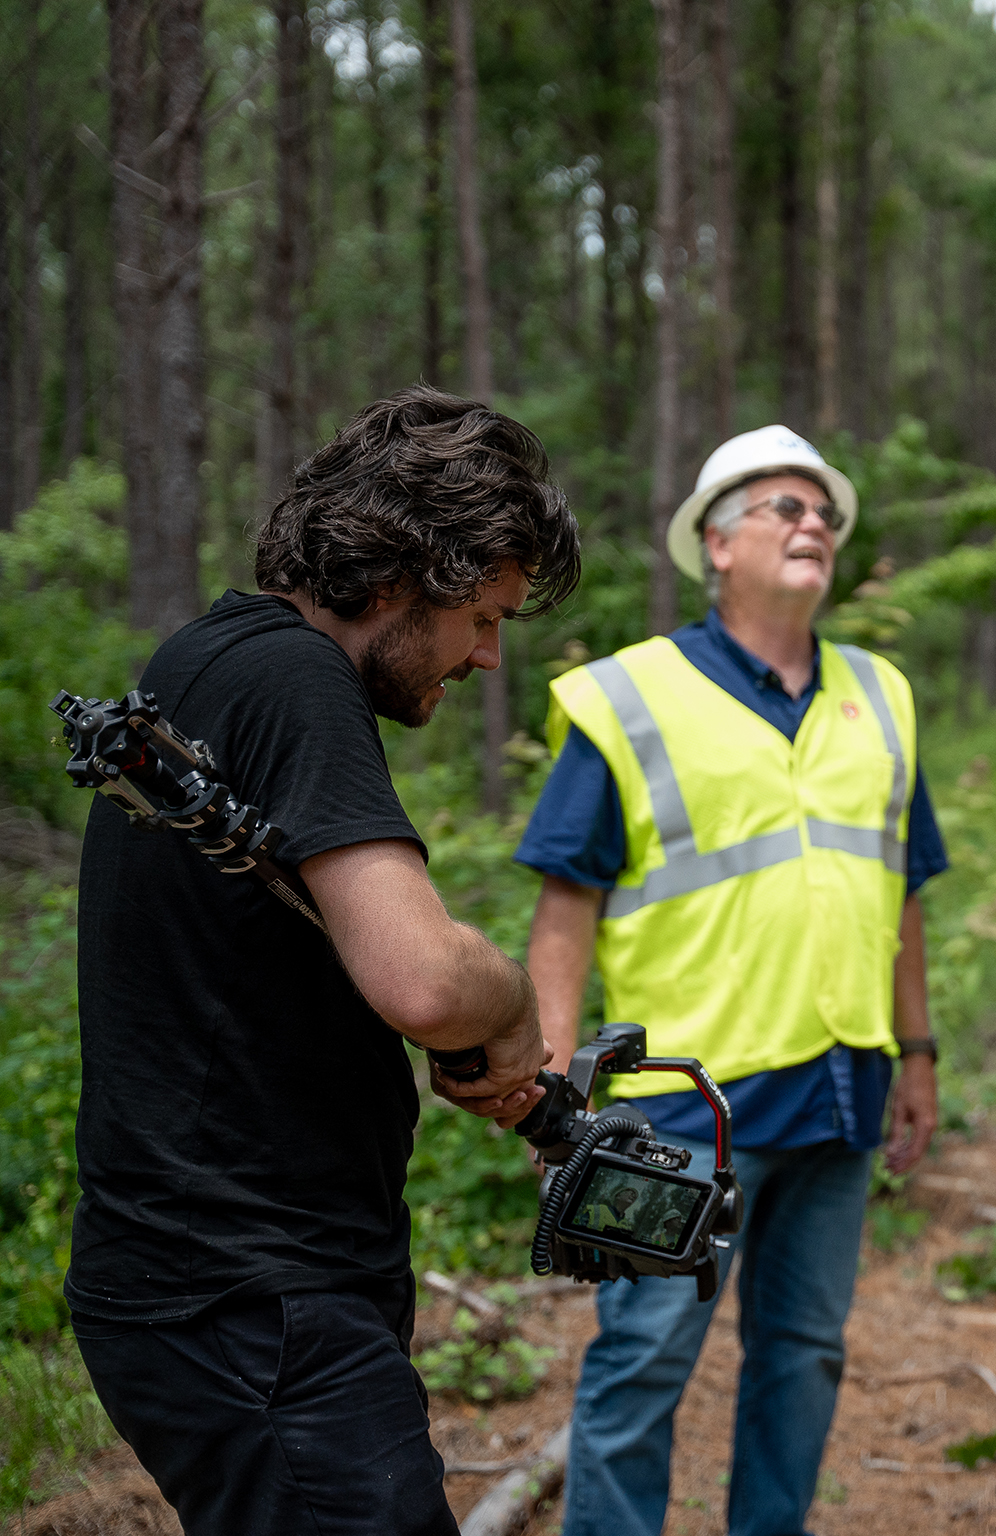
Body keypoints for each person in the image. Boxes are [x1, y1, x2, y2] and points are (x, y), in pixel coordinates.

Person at [68, 387, 582, 1536]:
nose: (490, 657)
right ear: (405, 572)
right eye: (485, 617)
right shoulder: (301, 680)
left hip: (217, 1294)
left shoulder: (204, 656)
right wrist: (508, 1004)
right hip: (253, 1303)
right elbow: (425, 980)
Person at [519, 424, 947, 1536]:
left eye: (826, 515)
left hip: (843, 1084)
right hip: (680, 1104)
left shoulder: (882, 696)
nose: (815, 527)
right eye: (786, 509)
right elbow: (566, 909)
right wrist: (549, 1089)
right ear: (715, 544)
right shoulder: (634, 697)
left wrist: (920, 1051)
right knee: (643, 1359)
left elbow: (900, 891)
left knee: (803, 1354)